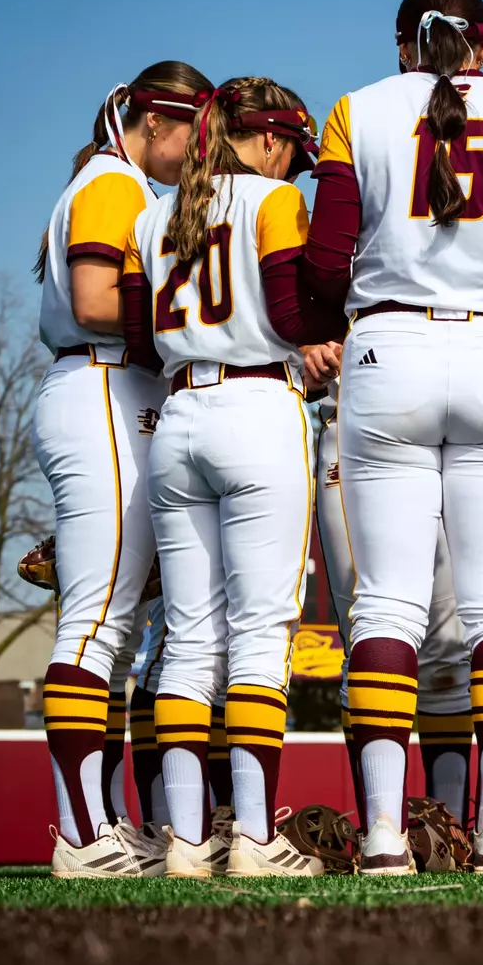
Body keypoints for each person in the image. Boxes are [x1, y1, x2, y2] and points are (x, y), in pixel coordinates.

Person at [306, 0, 483, 874]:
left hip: (387, 347)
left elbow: (323, 261)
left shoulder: (355, 109)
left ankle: (386, 835)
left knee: (385, 603)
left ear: (402, 42)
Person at [121, 76, 340, 878]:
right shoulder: (271, 200)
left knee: (187, 640)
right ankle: (250, 838)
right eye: (292, 150)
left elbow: (143, 345)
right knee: (257, 635)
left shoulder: (152, 215)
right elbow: (290, 318)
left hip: (179, 418)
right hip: (255, 406)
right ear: (273, 140)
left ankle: (182, 841)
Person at [34, 61, 214, 877]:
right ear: (153, 122)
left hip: (118, 391)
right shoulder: (112, 182)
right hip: (102, 383)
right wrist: (199, 315)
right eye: (194, 133)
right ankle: (79, 834)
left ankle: (101, 821)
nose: (199, 151)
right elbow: (94, 300)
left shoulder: (125, 185)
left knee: (118, 626)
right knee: (99, 616)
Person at [315, 384, 473, 825]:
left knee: (448, 653)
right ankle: (379, 829)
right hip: (353, 418)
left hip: (458, 426)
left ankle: (452, 827)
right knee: (368, 636)